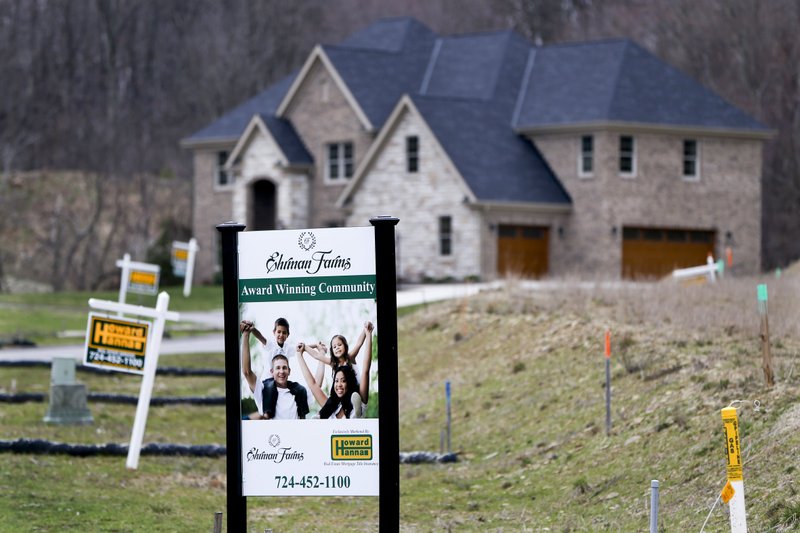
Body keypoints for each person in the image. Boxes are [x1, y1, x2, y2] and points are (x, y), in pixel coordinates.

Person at [241, 319, 309, 419]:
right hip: (268, 380)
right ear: (274, 332)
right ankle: (268, 412)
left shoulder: (288, 348)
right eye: (279, 332)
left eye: (284, 333)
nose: (281, 335)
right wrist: (252, 330)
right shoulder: (271, 344)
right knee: (270, 388)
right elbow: (260, 337)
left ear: (287, 335)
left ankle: (302, 414)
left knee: (300, 388)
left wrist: (313, 346)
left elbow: (300, 348)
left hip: (283, 381)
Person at [295, 340, 370, 419]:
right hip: (332, 426)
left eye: (343, 381)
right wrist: (299, 354)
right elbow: (313, 384)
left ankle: (355, 416)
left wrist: (368, 333)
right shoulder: (332, 407)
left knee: (355, 402)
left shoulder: (358, 401)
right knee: (329, 404)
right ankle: (320, 416)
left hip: (355, 424)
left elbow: (366, 370)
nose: (339, 385)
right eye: (336, 381)